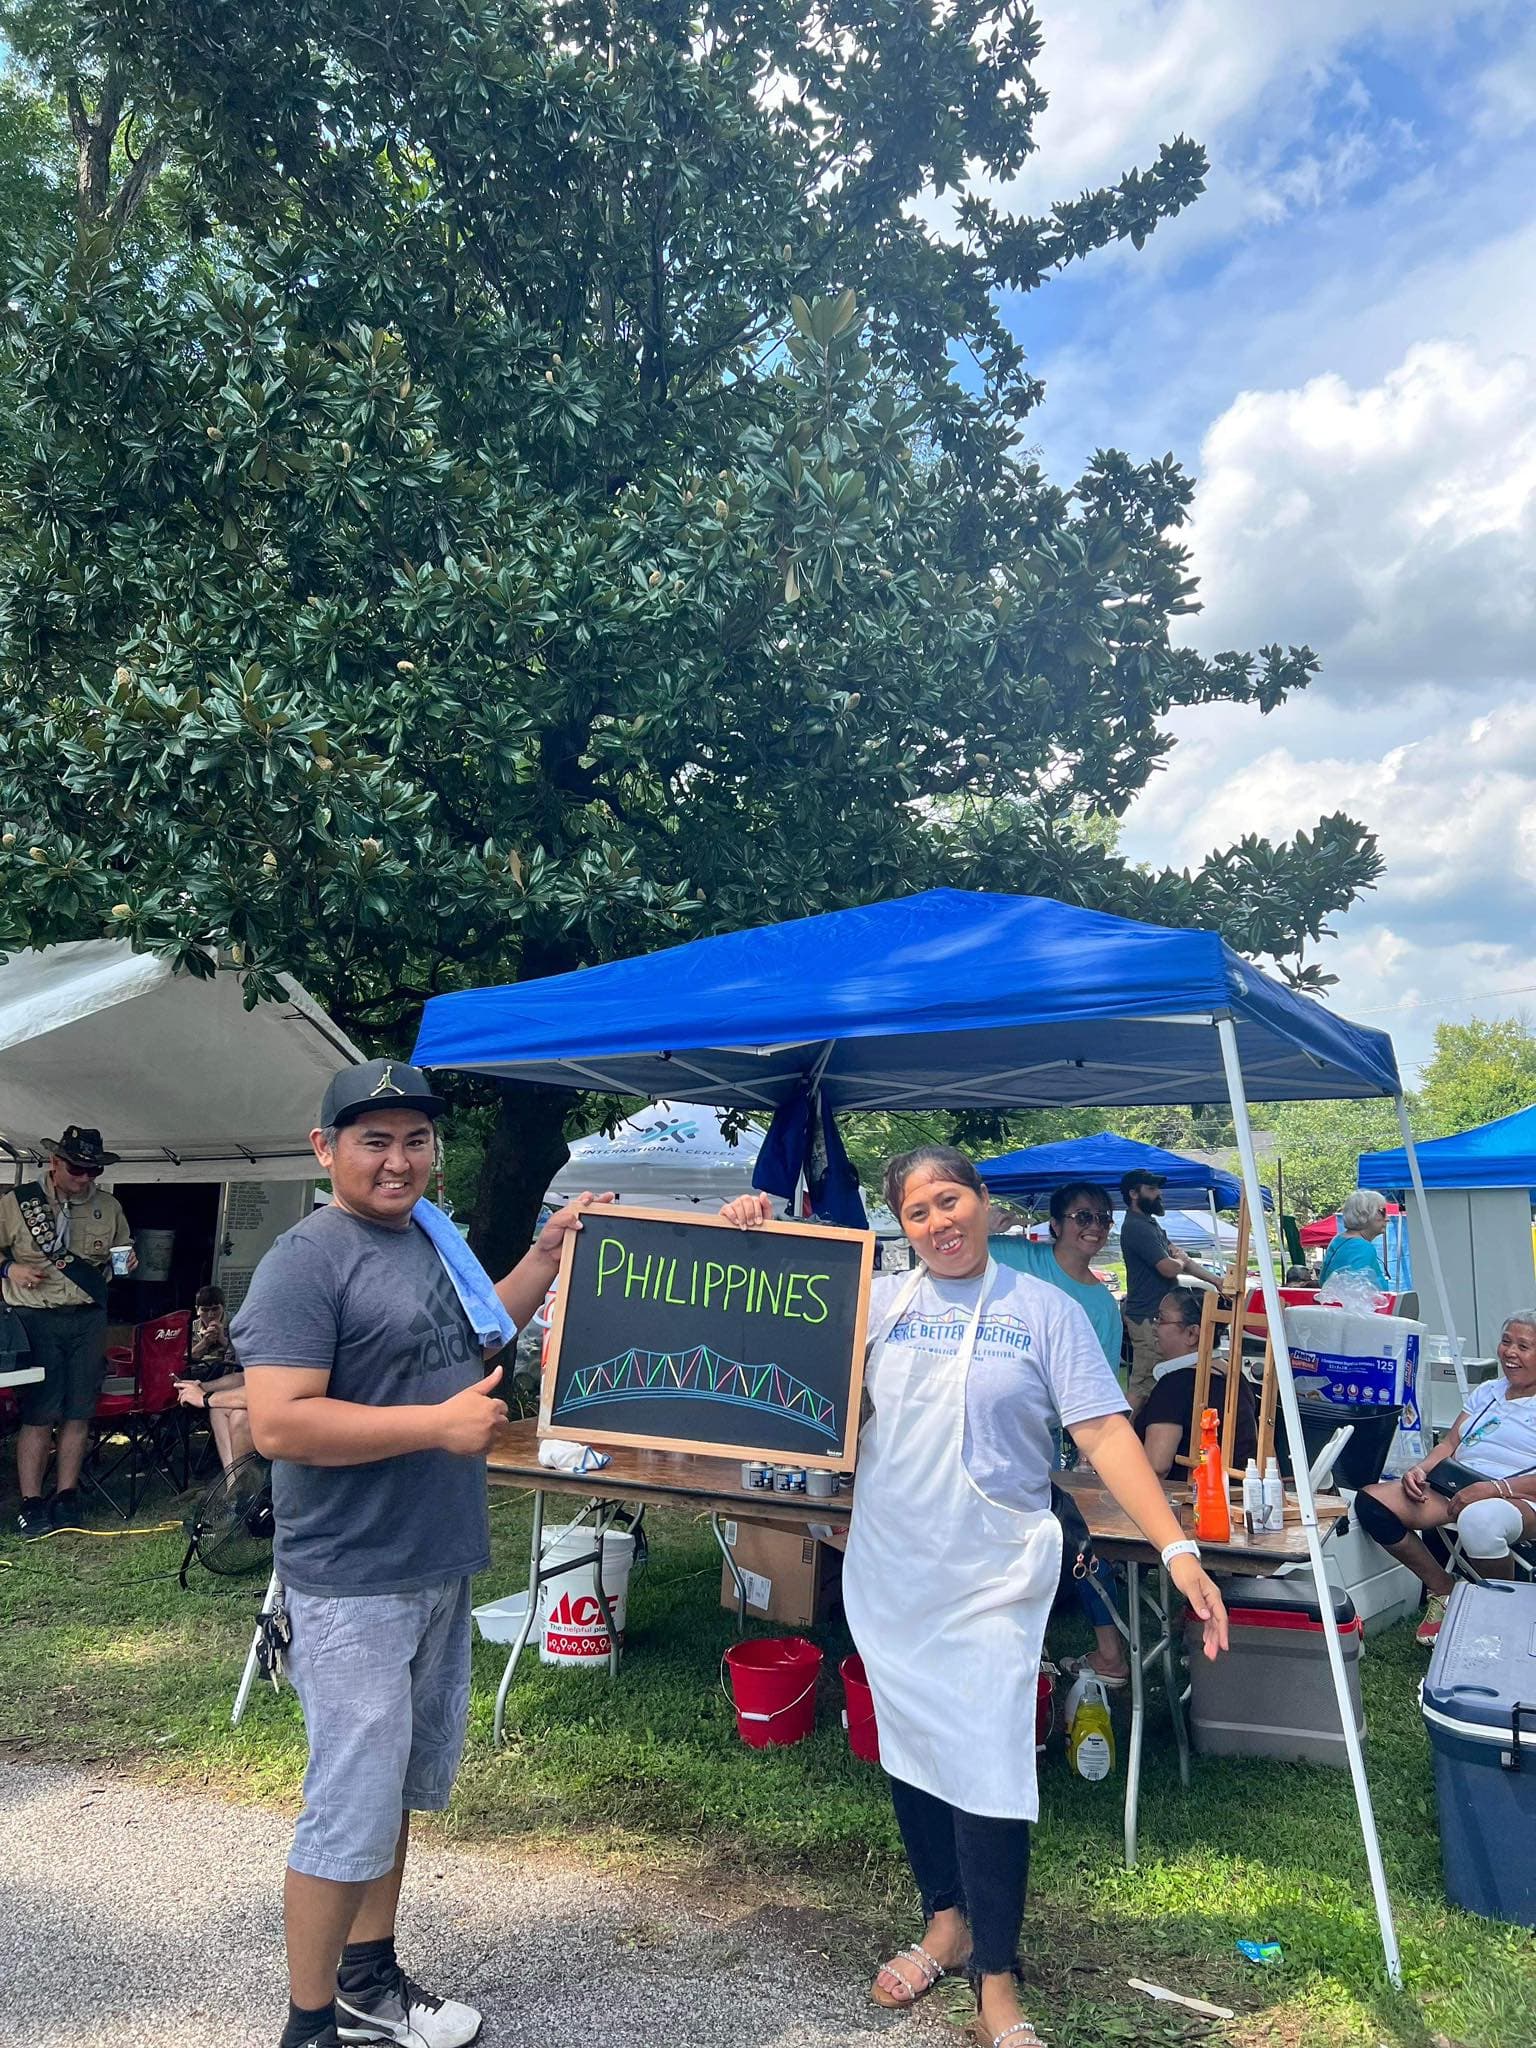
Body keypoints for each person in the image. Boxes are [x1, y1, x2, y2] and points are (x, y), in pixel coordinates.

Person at [723, 1147, 1228, 2048]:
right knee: (913, 1749)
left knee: (991, 1763)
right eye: (916, 1214)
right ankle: (944, 1921)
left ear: (986, 1204)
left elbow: (1107, 1434)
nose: (937, 1223)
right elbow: (770, 1350)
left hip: (995, 1573)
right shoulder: (878, 1305)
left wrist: (1176, 1546)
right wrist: (753, 1243)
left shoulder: (1046, 1312)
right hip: (891, 1566)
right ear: (903, 1227)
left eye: (949, 1201)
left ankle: (999, 1977)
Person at [234, 1057, 613, 2048]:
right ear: (327, 1149)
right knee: (346, 1808)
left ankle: (368, 1981)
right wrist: (431, 1427)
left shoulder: (427, 1241)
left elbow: (483, 1330)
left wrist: (551, 1249)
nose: (398, 1159)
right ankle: (307, 2024)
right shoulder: (305, 1259)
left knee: (395, 1787)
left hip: (435, 1560)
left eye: (415, 1138)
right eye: (374, 1138)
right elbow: (277, 1422)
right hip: (353, 1577)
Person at [1063, 1287, 1257, 1688]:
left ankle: (1110, 1654)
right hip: (1229, 1501)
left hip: (1183, 1507)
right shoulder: (1231, 1374)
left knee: (1085, 1545)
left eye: (1162, 1321)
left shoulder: (1177, 1383)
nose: (1153, 1330)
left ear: (1191, 1334)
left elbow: (1155, 1462)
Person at [1354, 1309, 1536, 1646]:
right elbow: (1452, 1442)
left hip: (1520, 1498)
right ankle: (1443, 1588)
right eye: (1506, 1341)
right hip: (1461, 1486)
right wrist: (1421, 1469)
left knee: (1481, 1519)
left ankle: (1498, 1616)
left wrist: (1495, 1489)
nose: (1510, 1352)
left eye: (1523, 1346)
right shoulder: (1489, 1392)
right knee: (1373, 1503)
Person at [0, 1125, 136, 1535]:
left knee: (79, 1410)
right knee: (39, 1412)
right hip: (34, 1319)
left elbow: (122, 1250)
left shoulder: (108, 1207)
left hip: (87, 1317)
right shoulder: (17, 1204)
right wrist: (10, 1268)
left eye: (93, 1171)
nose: (84, 1179)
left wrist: (127, 1262)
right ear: (55, 1163)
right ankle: (31, 1501)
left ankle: (66, 1495)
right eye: (77, 1169)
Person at [1118, 1170, 1225, 1413]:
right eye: (1152, 1189)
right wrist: (1179, 1261)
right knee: (1144, 1384)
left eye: (1158, 1188)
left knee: (1160, 1379)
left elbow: (1182, 1260)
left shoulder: (1149, 1223)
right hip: (1147, 1317)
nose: (1159, 1194)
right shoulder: (1136, 1227)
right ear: (1134, 1194)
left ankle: (1148, 1433)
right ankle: (1116, 1443)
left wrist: (1216, 1281)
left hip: (1158, 1316)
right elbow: (1169, 1267)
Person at [989, 1183, 1122, 1373]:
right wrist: (979, 1223)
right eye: (1083, 1216)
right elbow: (942, 1255)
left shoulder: (1104, 1306)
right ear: (1056, 1225)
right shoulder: (1015, 1254)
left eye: (1103, 1218)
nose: (1095, 1226)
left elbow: (1102, 1381)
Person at [175, 1284, 254, 1472]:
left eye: (215, 1310)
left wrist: (223, 1341)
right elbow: (182, 1358)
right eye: (205, 1310)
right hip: (197, 1372)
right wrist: (204, 1343)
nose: (210, 1315)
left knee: (222, 1369)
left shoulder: (234, 1324)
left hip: (227, 1375)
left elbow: (242, 1360)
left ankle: (198, 1391)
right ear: (197, 1310)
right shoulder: (191, 1327)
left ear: (222, 1308)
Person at [1317, 1189, 1390, 1294]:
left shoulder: (1338, 1241)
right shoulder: (1362, 1247)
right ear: (1365, 1214)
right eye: (1383, 1212)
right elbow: (1359, 1294)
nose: (1387, 1218)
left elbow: (1323, 1281)